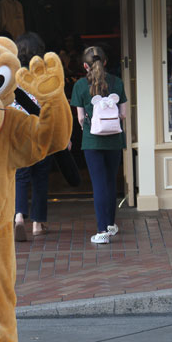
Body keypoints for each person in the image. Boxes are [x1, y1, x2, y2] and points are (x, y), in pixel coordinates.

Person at [71, 46, 127, 244]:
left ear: (85, 65)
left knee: (99, 184)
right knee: (111, 182)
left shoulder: (79, 86)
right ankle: (111, 225)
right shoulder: (117, 82)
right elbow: (123, 114)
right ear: (105, 62)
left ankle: (102, 231)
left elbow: (79, 118)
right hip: (114, 140)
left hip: (92, 140)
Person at [12, 32, 53, 241]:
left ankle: (19, 216)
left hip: (19, 130)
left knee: (20, 175)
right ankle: (38, 223)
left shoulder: (13, 76)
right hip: (41, 130)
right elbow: (50, 104)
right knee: (41, 176)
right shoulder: (43, 76)